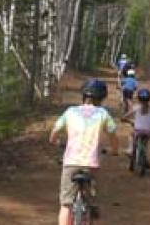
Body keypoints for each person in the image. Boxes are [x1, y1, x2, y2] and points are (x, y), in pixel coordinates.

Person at [49, 78, 119, 225]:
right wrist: (115, 150)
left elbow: (55, 131)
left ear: (83, 96)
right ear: (101, 98)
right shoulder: (102, 113)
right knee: (92, 189)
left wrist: (54, 141)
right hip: (91, 163)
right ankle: (91, 204)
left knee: (65, 204)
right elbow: (113, 134)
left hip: (70, 162)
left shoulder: (70, 111)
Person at [122, 88, 150, 168]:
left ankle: (130, 149)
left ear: (138, 99)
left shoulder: (136, 108)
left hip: (137, 131)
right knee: (145, 144)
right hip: (148, 132)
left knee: (131, 134)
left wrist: (128, 121)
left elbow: (124, 117)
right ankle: (145, 158)